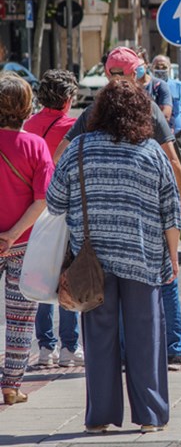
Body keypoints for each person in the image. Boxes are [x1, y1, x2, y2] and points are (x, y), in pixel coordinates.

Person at [47, 79, 181, 433]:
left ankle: (100, 417)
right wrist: (173, 257)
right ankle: (150, 416)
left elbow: (54, 202)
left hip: (91, 262)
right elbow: (171, 212)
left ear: (100, 111)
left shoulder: (78, 149)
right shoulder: (152, 152)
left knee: (99, 339)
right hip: (144, 258)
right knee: (146, 337)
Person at [54, 47, 181, 370]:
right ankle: (173, 348)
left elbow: (61, 154)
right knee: (164, 285)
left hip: (95, 233)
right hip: (144, 228)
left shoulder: (94, 111)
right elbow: (173, 162)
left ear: (107, 74)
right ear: (135, 74)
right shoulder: (147, 108)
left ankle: (116, 359)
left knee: (104, 300)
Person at [22, 70, 83, 368]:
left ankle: (46, 348)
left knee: (40, 275)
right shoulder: (73, 127)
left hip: (34, 211)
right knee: (67, 274)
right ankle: (70, 346)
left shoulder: (29, 125)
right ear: (68, 98)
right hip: (66, 210)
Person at [0, 74, 53, 405]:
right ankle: (11, 386)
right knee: (20, 320)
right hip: (24, 245)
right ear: (26, 107)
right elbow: (42, 199)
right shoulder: (35, 146)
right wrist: (12, 234)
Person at [152, 55, 181, 165]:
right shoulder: (149, 86)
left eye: (164, 66)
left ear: (169, 67)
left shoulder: (180, 86)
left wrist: (175, 129)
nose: (160, 69)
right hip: (153, 137)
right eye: (157, 67)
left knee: (177, 165)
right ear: (151, 68)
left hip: (175, 136)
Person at [135, 48, 173, 120]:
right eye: (133, 65)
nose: (136, 68)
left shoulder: (160, 86)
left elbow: (165, 115)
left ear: (146, 64)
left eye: (138, 65)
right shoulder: (128, 87)